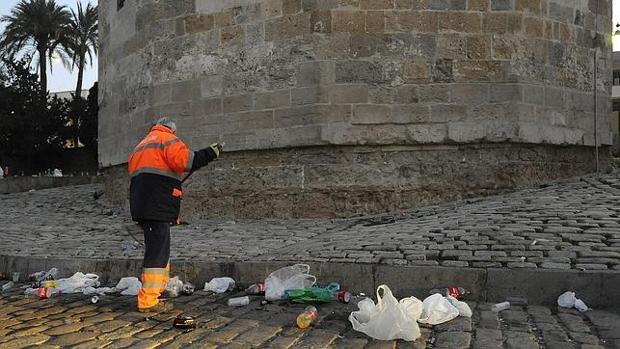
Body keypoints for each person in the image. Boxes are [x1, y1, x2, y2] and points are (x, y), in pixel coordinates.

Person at [128, 117, 222, 312]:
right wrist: (211, 152)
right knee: (157, 253)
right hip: (157, 206)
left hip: (143, 206)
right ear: (171, 129)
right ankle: (148, 301)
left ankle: (157, 291)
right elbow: (188, 161)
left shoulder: (142, 144)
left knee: (158, 249)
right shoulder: (167, 139)